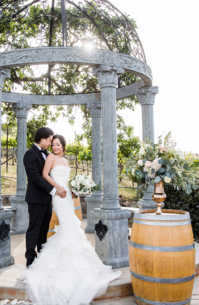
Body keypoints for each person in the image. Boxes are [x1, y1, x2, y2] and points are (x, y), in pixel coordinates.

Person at [20, 134, 122, 305]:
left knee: (71, 226)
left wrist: (74, 188)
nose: (54, 147)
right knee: (67, 224)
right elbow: (45, 175)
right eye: (52, 144)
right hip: (58, 195)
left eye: (57, 145)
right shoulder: (50, 157)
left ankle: (75, 259)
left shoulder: (66, 161)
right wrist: (58, 187)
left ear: (63, 146)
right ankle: (41, 261)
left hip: (67, 195)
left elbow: (66, 179)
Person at [23, 127, 67, 268]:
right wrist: (54, 190)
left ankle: (42, 260)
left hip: (47, 199)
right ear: (42, 139)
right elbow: (35, 177)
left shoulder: (46, 154)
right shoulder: (30, 154)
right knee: (34, 230)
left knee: (44, 230)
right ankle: (30, 261)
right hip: (36, 199)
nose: (50, 144)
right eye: (49, 141)